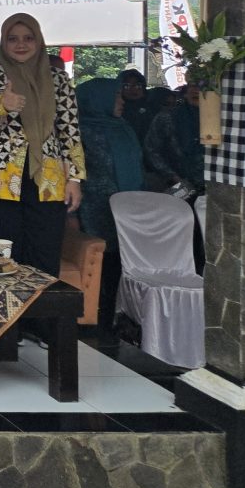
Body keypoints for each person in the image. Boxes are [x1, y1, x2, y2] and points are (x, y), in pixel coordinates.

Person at [0, 13, 84, 278]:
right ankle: (9, 319)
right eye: (13, 39)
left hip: (48, 181)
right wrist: (1, 107)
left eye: (28, 38)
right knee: (2, 258)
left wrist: (75, 178)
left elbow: (69, 132)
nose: (21, 44)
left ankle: (41, 319)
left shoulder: (58, 80)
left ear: (39, 41)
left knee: (44, 255)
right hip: (0, 180)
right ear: (3, 42)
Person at [75, 76, 146, 328]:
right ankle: (99, 313)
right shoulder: (82, 130)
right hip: (96, 207)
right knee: (104, 259)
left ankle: (120, 312)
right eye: (115, 96)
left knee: (126, 259)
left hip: (128, 205)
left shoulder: (122, 127)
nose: (121, 100)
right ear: (98, 100)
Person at [145, 83, 204, 196]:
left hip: (213, 186)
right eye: (193, 86)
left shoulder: (222, 118)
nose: (197, 91)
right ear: (185, 94)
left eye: (203, 88)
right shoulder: (167, 117)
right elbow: (151, 150)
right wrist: (172, 176)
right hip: (177, 184)